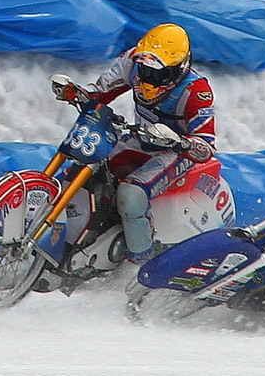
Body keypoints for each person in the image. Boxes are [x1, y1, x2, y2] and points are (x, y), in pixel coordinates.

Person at [51, 23, 217, 264]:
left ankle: (140, 262)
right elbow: (99, 92)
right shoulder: (132, 61)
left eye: (157, 73)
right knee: (77, 174)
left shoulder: (197, 91)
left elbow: (206, 146)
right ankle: (71, 244)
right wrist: (74, 93)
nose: (148, 78)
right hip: (140, 138)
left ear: (179, 68)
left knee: (131, 194)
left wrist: (181, 143)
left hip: (175, 151)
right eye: (145, 69)